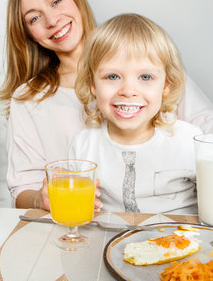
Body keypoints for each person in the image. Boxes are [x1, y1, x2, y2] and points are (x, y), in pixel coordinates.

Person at [0, 0, 213, 235]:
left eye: (56, 1)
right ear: (28, 35)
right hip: (95, 234)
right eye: (34, 17)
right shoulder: (29, 100)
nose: (51, 20)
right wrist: (42, 196)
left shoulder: (149, 64)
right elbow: (23, 190)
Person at [69, 13, 201, 214]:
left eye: (145, 77)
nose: (128, 90)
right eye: (112, 76)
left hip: (182, 240)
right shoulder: (83, 145)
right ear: (92, 84)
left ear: (166, 85)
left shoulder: (189, 141)